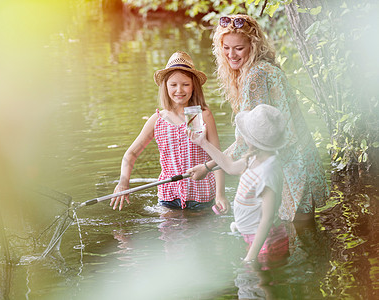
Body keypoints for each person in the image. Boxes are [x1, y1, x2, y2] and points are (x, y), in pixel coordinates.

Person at [188, 15, 328, 222]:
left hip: (288, 169)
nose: (231, 54)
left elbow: (248, 142)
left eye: (238, 48)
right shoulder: (264, 68)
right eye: (226, 47)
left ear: (253, 46)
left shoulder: (256, 76)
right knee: (303, 237)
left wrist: (207, 166)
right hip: (300, 162)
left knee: (294, 237)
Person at [110, 51, 227, 211]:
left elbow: (218, 156)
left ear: (194, 86)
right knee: (169, 235)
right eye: (173, 85)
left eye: (185, 84)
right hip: (168, 198)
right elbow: (130, 154)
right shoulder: (157, 119)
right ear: (165, 86)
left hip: (202, 195)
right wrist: (124, 182)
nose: (179, 90)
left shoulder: (203, 115)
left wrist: (220, 194)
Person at [187, 104, 289, 263]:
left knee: (260, 283)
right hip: (254, 237)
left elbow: (267, 220)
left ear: (253, 141)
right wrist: (203, 143)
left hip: (267, 242)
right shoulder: (256, 157)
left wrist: (250, 257)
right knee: (252, 284)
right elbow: (230, 167)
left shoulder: (268, 172)